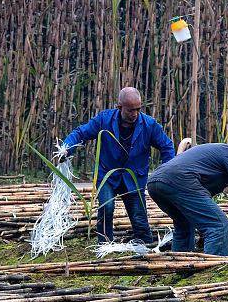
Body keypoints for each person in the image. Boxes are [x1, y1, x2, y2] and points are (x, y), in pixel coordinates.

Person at [59, 87, 174, 244]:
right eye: (130, 110)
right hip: (107, 174)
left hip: (134, 177)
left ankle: (145, 245)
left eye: (138, 109)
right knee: (107, 207)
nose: (134, 114)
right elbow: (81, 134)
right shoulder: (104, 120)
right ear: (119, 107)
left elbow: (167, 147)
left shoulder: (149, 125)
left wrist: (167, 171)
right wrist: (66, 149)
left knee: (139, 216)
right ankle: (105, 244)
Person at [147, 143, 228, 256]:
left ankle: (182, 269)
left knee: (184, 225)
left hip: (155, 181)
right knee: (218, 225)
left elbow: (201, 207)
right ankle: (214, 270)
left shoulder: (213, 159)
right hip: (179, 179)